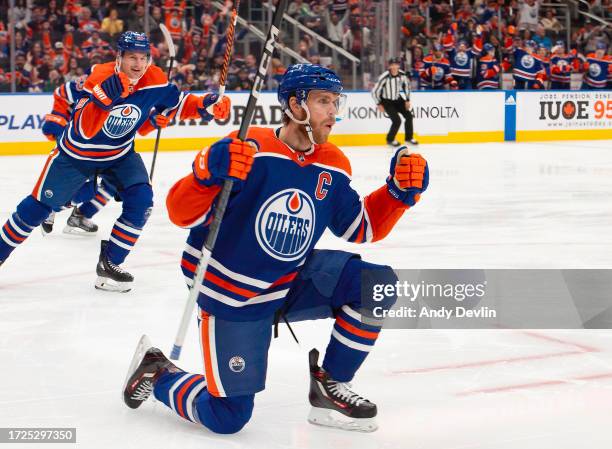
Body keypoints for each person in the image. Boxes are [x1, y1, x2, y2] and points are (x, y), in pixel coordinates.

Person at [123, 64, 429, 434]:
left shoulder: (333, 163)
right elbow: (179, 212)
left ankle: (328, 386)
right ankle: (157, 374)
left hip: (289, 280)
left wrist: (397, 195)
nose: (334, 112)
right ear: (295, 105)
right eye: (323, 101)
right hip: (232, 293)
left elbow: (360, 227)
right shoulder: (248, 150)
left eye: (336, 101)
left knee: (375, 284)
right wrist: (205, 175)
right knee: (228, 417)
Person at [0, 31, 231, 293]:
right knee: (35, 210)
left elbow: (175, 103)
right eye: (132, 57)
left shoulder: (154, 78)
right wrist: (105, 97)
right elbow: (85, 130)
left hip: (119, 155)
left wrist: (206, 105)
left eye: (143, 58)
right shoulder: (100, 77)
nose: (138, 64)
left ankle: (110, 264)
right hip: (76, 156)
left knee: (142, 200)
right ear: (119, 56)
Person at [372, 57, 417, 147]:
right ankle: (390, 139)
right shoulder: (384, 77)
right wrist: (378, 103)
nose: (394, 67)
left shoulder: (402, 75)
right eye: (392, 65)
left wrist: (407, 100)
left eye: (396, 65)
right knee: (397, 120)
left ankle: (408, 138)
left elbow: (407, 87)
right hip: (387, 101)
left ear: (398, 65)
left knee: (409, 116)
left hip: (398, 99)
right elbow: (375, 91)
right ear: (389, 66)